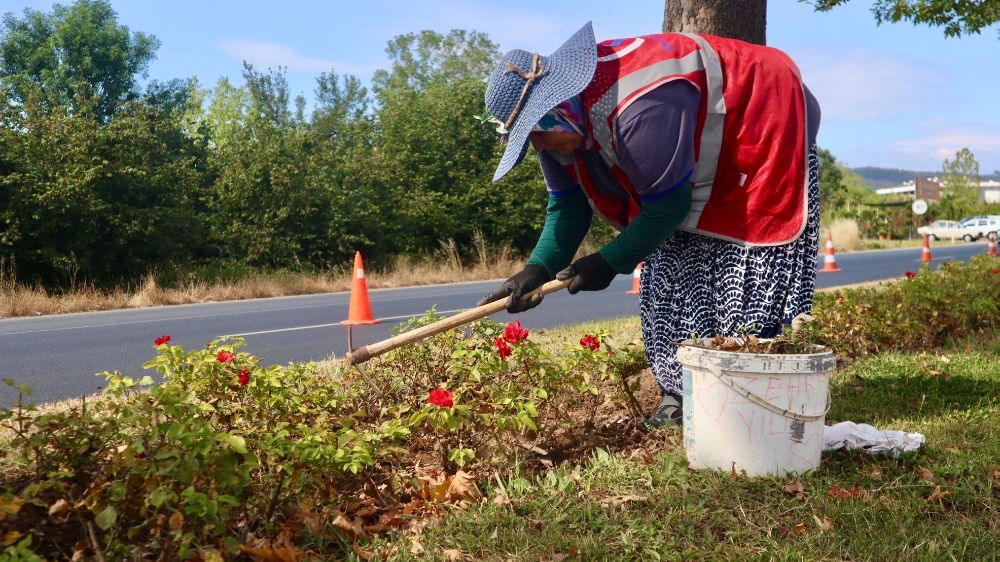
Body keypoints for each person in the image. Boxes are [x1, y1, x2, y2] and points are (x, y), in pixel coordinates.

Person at [477, 22, 822, 427]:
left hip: (764, 126)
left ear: (559, 109)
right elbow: (568, 207)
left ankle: (750, 400)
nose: (536, 147)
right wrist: (536, 270)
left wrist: (607, 263)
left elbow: (668, 207)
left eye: (535, 134)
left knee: (742, 272)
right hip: (694, 159)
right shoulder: (561, 133)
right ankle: (680, 394)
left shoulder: (640, 105)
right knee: (669, 278)